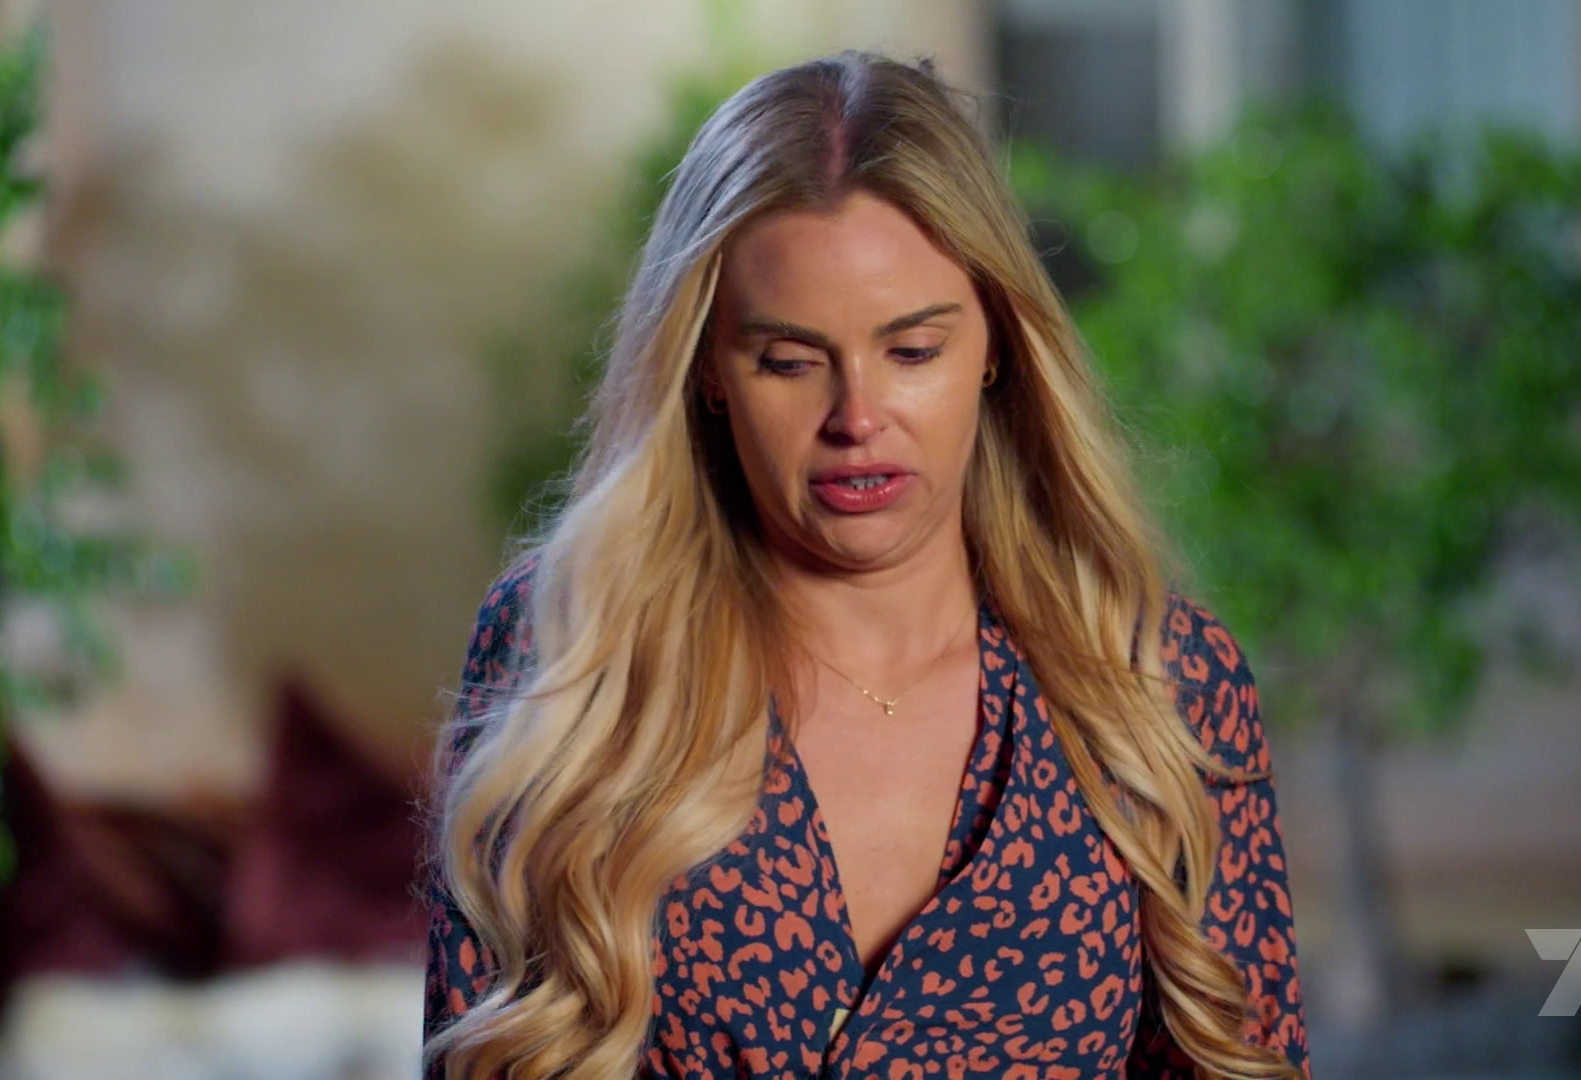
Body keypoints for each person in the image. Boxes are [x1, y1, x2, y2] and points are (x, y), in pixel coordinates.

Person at [423, 51, 1309, 1080]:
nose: (856, 417)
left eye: (913, 351)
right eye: (790, 361)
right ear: (707, 369)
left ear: (996, 344)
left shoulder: (1160, 685)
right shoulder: (570, 655)